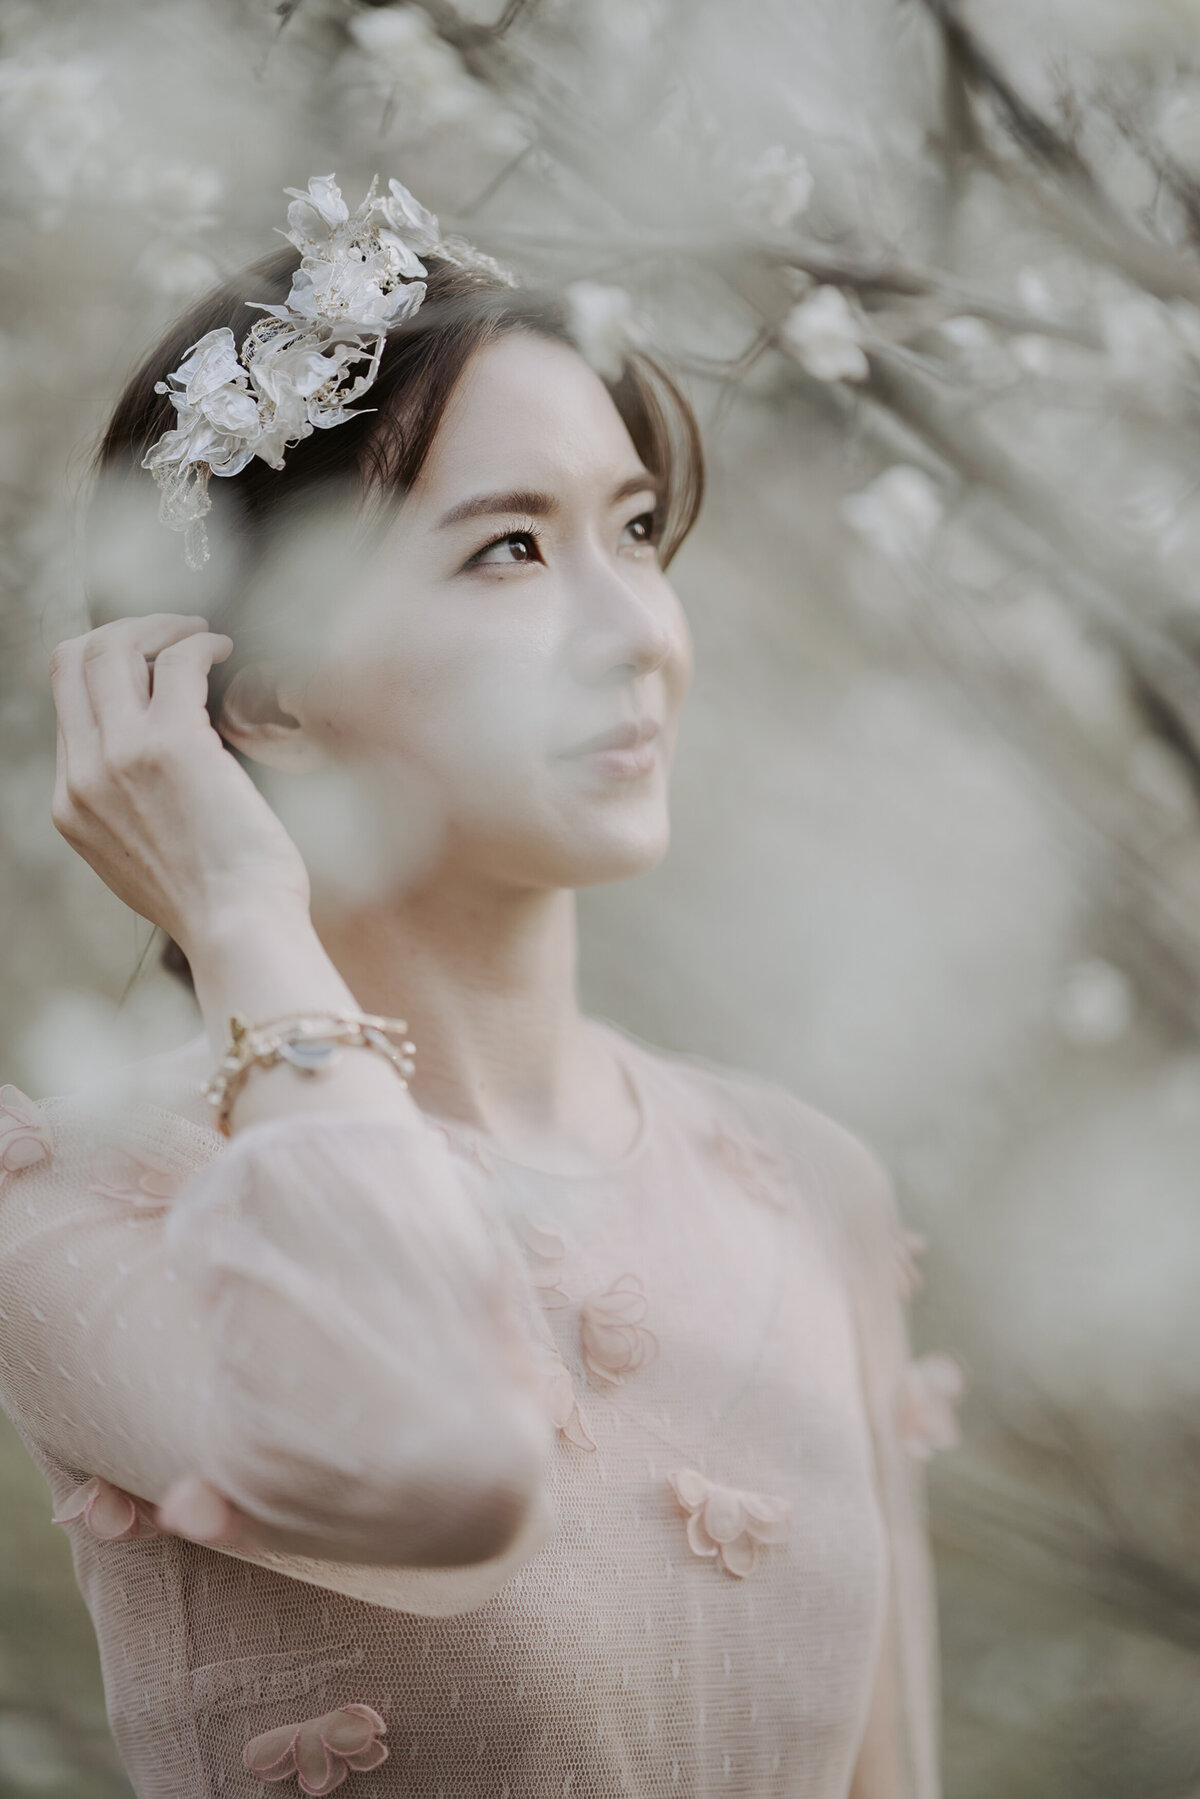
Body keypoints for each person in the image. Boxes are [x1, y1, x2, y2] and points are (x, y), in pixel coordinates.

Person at [0, 175, 958, 1799]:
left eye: (636, 530)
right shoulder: (87, 1205)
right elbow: (437, 1465)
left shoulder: (810, 1189)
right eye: (510, 548)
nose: (637, 630)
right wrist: (241, 906)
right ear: (271, 685)